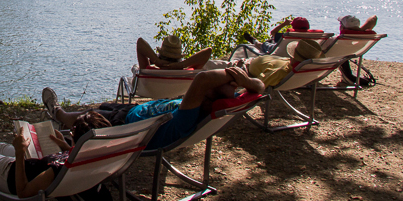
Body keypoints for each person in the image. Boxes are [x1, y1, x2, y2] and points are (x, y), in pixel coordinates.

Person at [44, 63, 265, 151]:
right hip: (134, 114)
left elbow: (203, 79)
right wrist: (248, 82)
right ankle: (63, 117)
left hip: (127, 128)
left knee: (87, 116)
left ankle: (59, 114)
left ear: (208, 95)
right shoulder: (197, 106)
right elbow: (261, 87)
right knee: (103, 106)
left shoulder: (186, 119)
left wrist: (241, 78)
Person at [0, 113, 109, 198]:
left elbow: (23, 191)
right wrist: (66, 148)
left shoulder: (60, 168)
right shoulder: (99, 156)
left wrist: (19, 154)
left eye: (71, 132)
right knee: (0, 147)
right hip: (36, 164)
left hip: (12, 176)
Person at [137, 35, 212, 70]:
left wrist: (157, 61)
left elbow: (140, 42)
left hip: (152, 91)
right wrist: (181, 65)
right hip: (180, 91)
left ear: (161, 55)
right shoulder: (186, 73)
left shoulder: (148, 71)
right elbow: (208, 51)